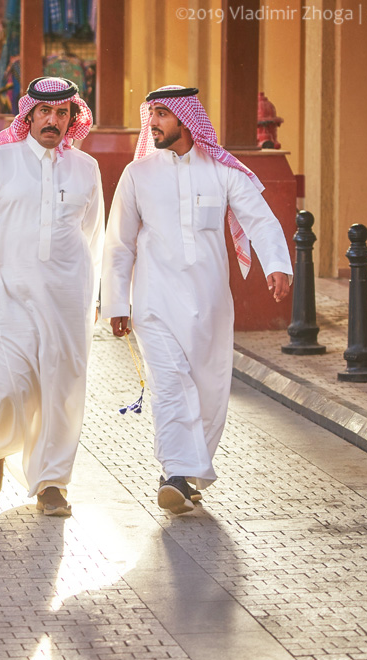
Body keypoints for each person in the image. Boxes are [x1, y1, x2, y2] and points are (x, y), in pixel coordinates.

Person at [101, 85, 293, 514]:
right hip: (154, 302)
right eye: (152, 113)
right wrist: (116, 303)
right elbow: (119, 244)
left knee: (208, 392)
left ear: (187, 120)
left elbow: (258, 218)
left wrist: (277, 264)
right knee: (170, 387)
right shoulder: (138, 175)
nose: (153, 122)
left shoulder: (222, 171)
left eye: (163, 114)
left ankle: (186, 475)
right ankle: (172, 473)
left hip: (209, 305)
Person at [0, 77, 104, 517]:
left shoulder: (86, 168)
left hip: (67, 300)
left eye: (62, 114)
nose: (53, 121)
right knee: (6, 383)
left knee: (62, 390)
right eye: (45, 113)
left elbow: (93, 238)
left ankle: (52, 482)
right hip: (6, 296)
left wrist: (95, 299)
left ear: (72, 118)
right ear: (29, 115)